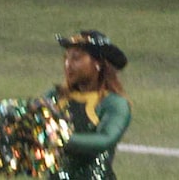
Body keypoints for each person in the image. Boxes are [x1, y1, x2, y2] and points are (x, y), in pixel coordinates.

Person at [47, 30, 132, 180]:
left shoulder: (114, 103)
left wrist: (59, 139)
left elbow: (105, 139)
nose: (68, 64)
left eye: (76, 58)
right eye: (66, 58)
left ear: (98, 63)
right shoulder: (55, 96)